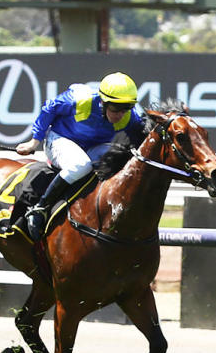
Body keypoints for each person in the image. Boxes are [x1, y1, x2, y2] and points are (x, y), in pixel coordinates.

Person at [15, 71, 147, 241]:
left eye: (127, 107)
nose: (121, 114)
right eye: (115, 107)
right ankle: (40, 208)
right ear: (103, 102)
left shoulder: (131, 118)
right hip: (60, 139)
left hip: (91, 147)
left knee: (120, 159)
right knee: (81, 165)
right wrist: (34, 142)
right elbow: (49, 108)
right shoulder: (79, 99)